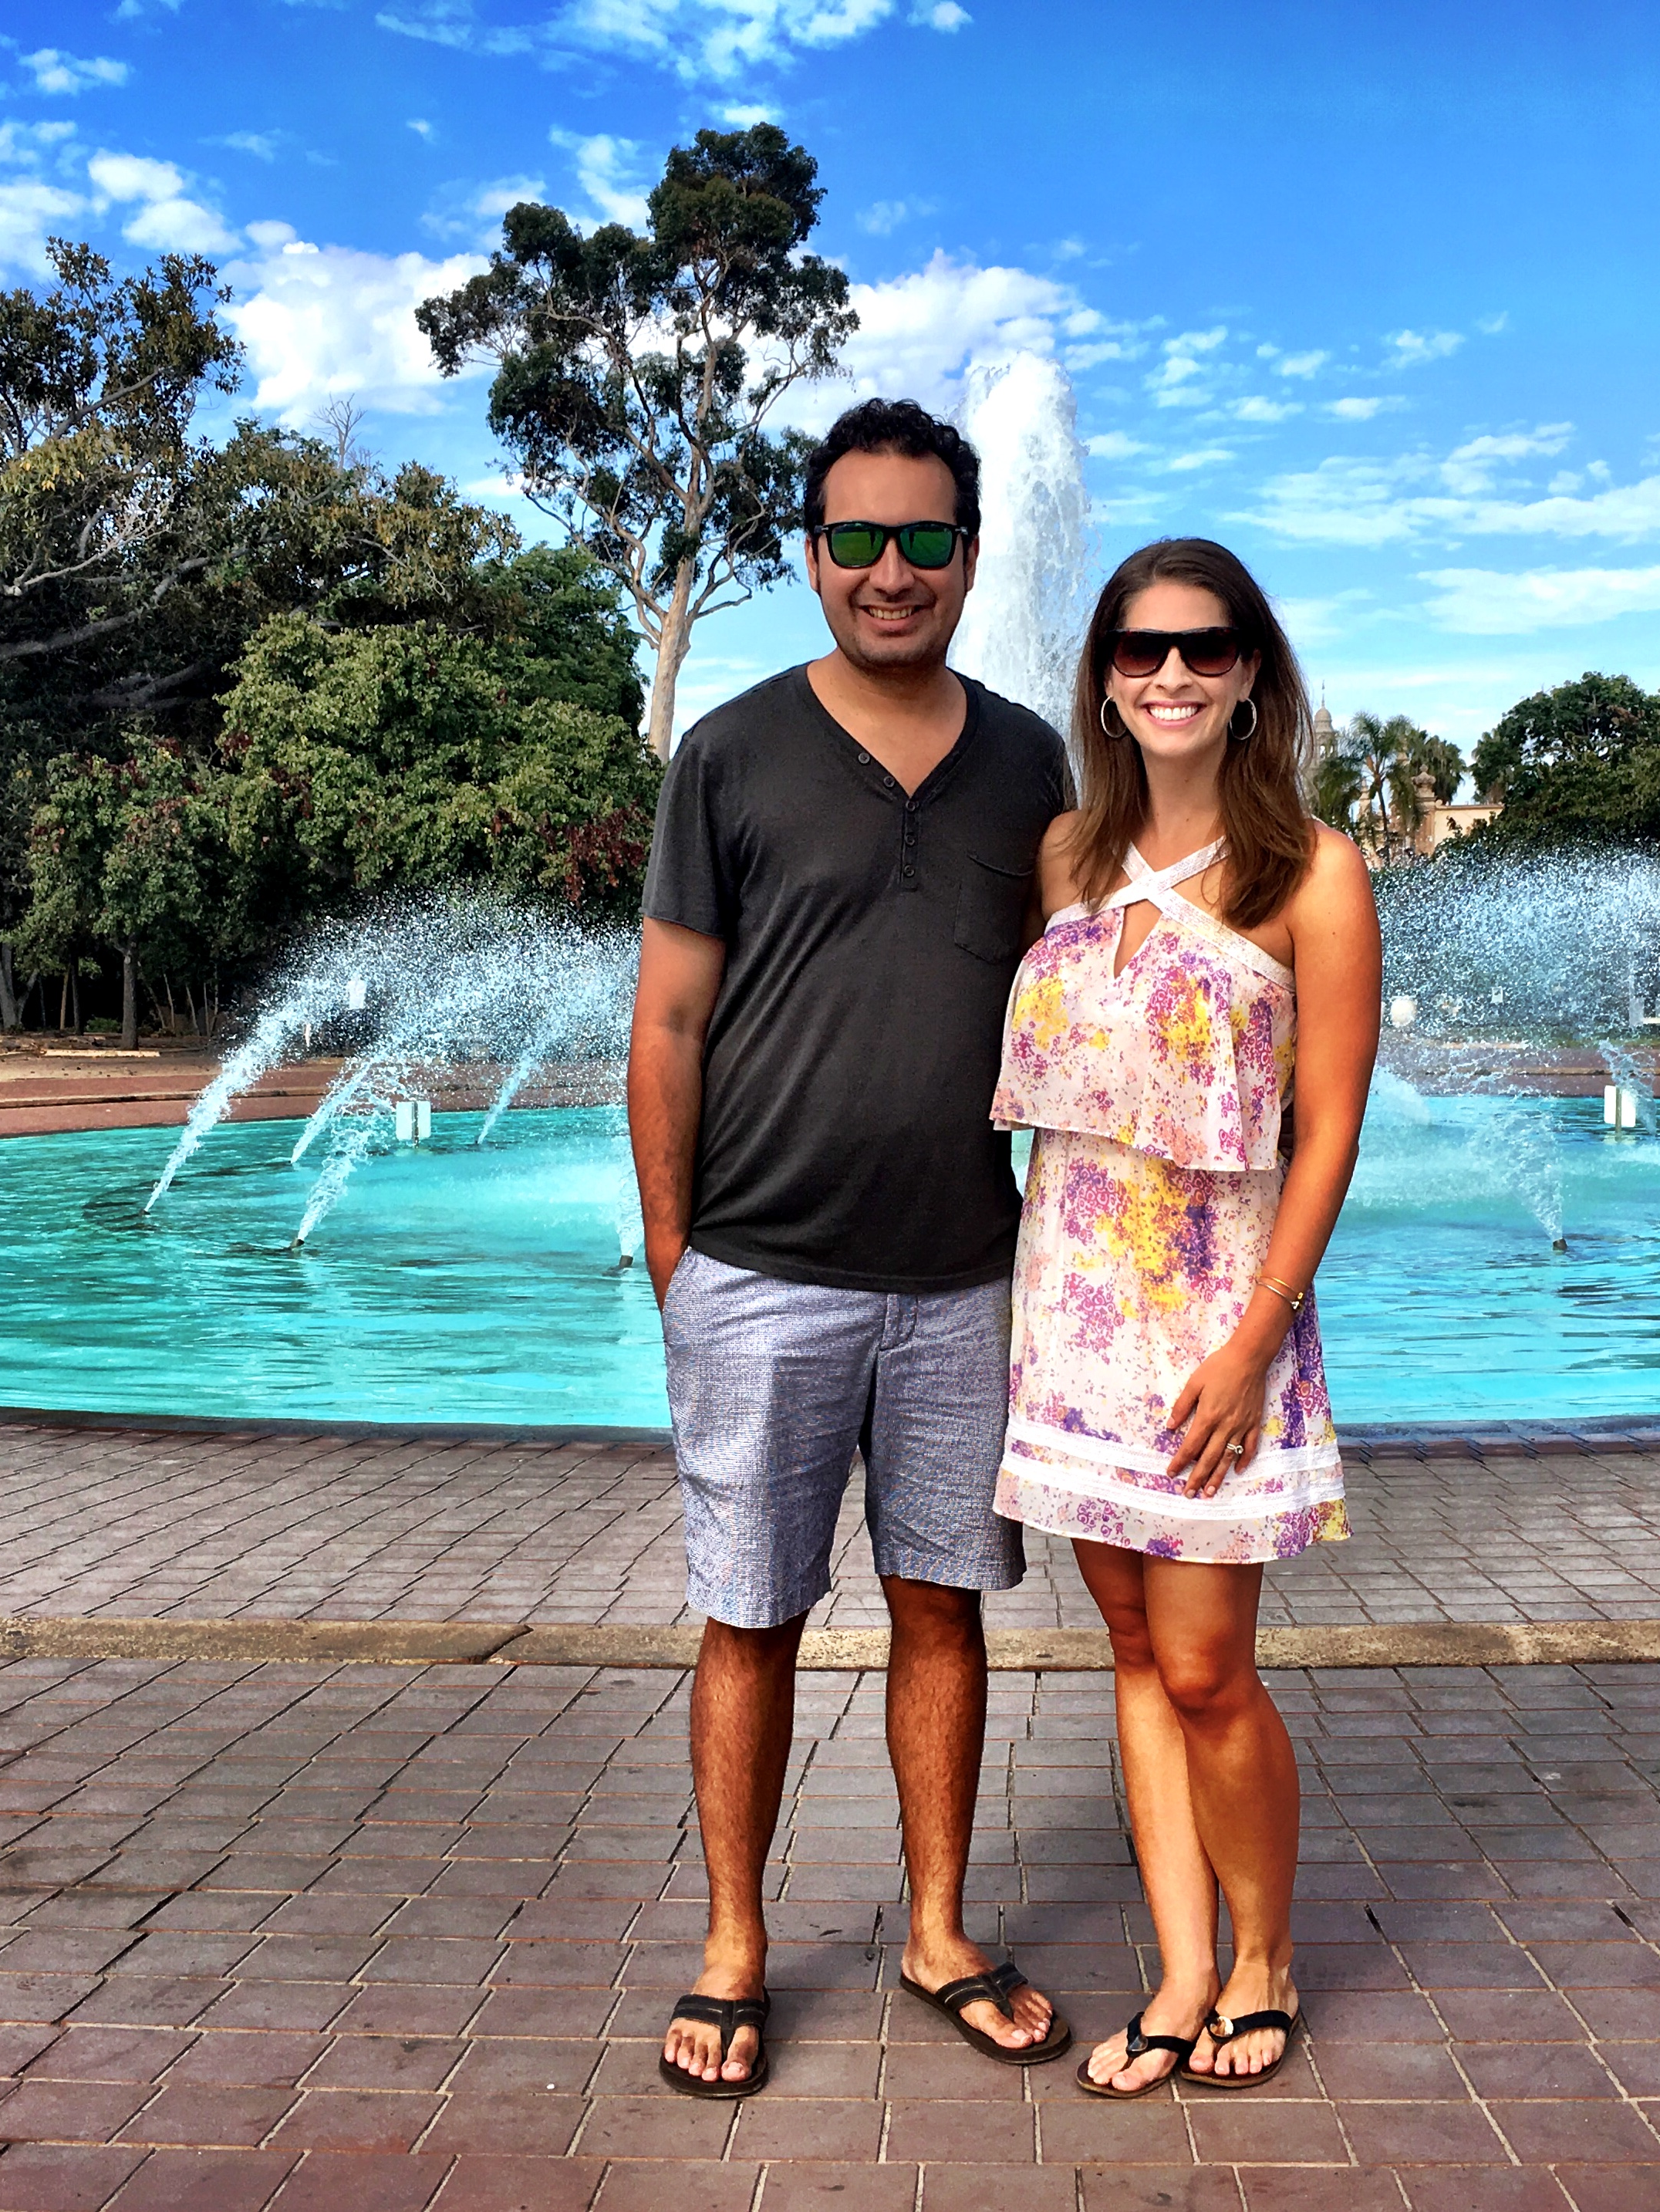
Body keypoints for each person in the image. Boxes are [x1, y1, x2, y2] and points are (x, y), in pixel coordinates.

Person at [630, 398, 1075, 2098]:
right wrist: (677, 1254)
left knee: (940, 1612)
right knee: (746, 1619)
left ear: (968, 555)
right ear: (808, 556)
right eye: (857, 541)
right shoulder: (729, 754)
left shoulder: (1031, 762)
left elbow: (1072, 1011)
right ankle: (735, 1943)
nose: (892, 574)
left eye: (927, 541)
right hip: (761, 1270)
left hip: (966, 1280)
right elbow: (666, 1024)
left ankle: (938, 1928)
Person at [990, 538, 1380, 2097]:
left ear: (1249, 675)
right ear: (1101, 674)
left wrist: (1255, 1338)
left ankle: (1266, 1961)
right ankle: (1178, 1972)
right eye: (1142, 648)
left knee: (1209, 1665)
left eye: (1203, 649)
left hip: (1222, 1320)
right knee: (1134, 1659)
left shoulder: (1314, 873)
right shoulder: (1064, 858)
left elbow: (1332, 1131)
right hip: (1074, 1314)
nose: (1170, 673)